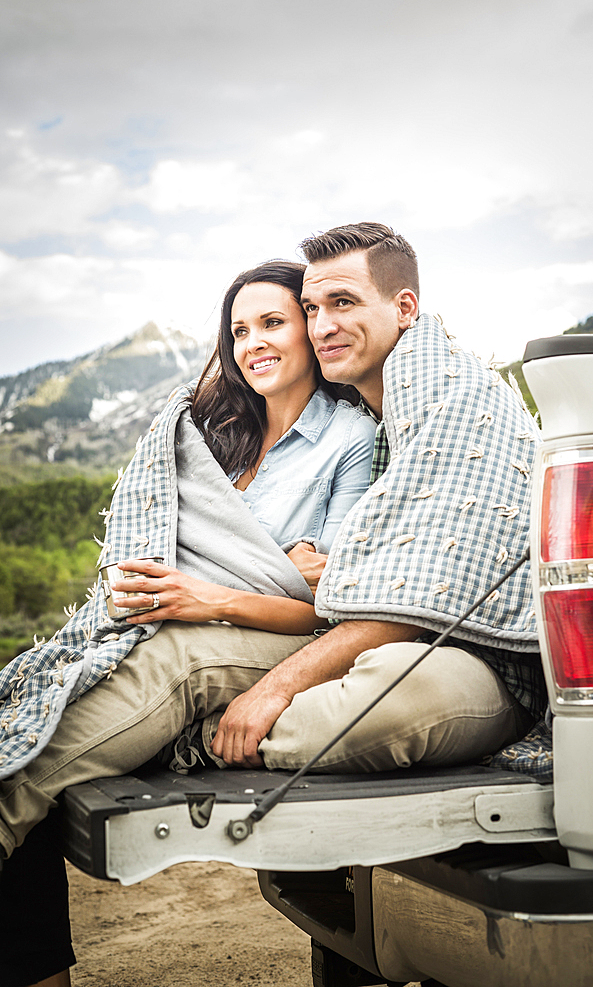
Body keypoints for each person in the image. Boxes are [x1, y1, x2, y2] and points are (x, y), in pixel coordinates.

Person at [0, 223, 546, 987]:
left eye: (335, 305)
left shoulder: (404, 419)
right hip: (217, 631)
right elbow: (361, 569)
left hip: (358, 646)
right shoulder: (222, 431)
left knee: (193, 680)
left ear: (405, 307)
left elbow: (400, 588)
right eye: (310, 308)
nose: (321, 326)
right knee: (70, 704)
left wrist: (269, 635)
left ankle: (158, 740)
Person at [0, 257, 376, 987]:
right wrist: (238, 573)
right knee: (24, 723)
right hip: (168, 625)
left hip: (247, 641)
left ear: (309, 328)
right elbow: (154, 547)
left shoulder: (348, 440)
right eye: (238, 330)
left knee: (24, 774)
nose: (252, 343)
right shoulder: (212, 433)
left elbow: (325, 607)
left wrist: (213, 593)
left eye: (271, 322)